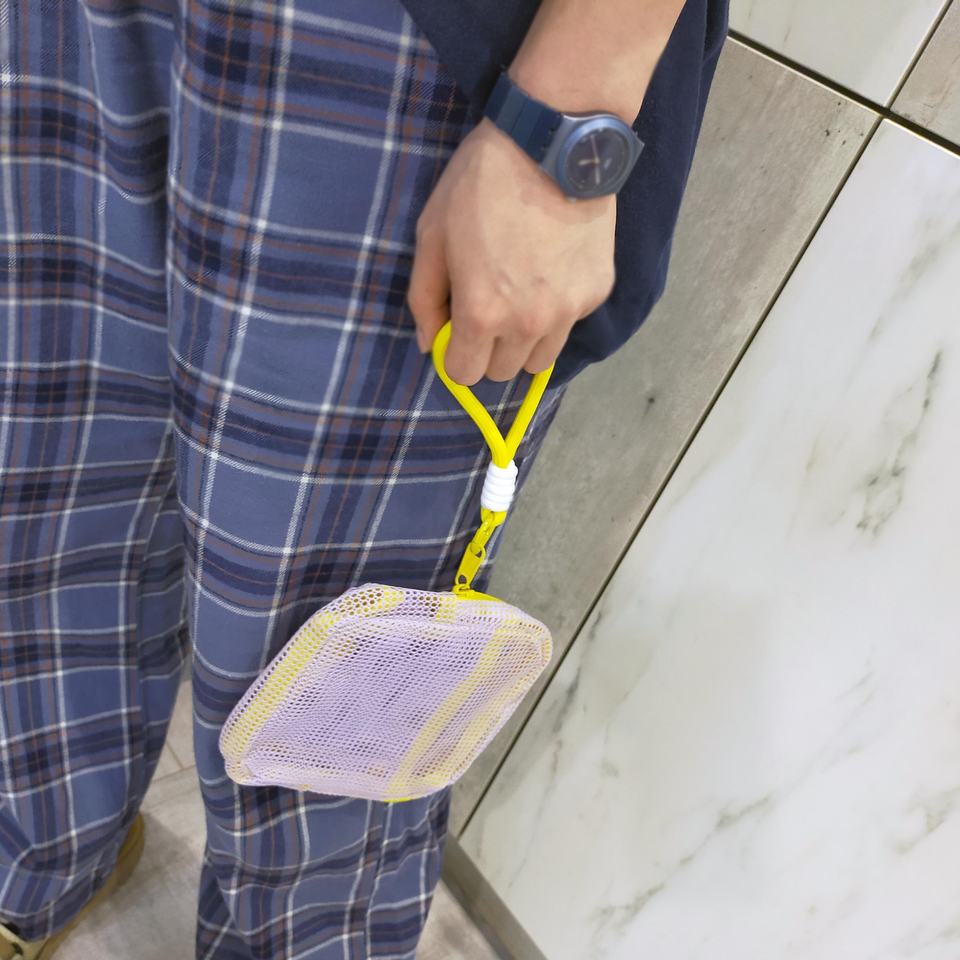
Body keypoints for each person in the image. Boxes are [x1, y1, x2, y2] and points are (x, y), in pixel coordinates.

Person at [0, 0, 727, 957]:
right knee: (61, 472)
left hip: (421, 33)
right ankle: (37, 848)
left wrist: (563, 124)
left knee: (333, 678)